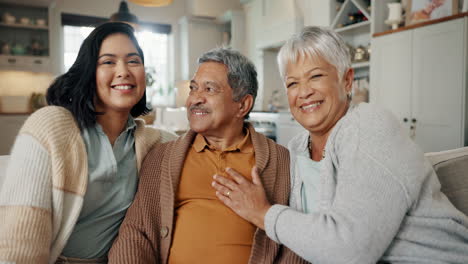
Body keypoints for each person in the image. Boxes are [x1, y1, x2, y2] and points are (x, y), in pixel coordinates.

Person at [212, 26, 468, 263]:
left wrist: (262, 213)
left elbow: (351, 252)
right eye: (292, 83)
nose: (304, 92)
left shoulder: (370, 126)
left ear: (347, 81)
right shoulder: (297, 147)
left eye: (315, 76)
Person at [108, 48, 306, 264]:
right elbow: (135, 232)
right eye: (193, 88)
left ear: (243, 105)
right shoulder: (161, 158)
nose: (195, 99)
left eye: (209, 89)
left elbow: (297, 243)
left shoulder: (282, 163)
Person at [0, 22, 176, 264]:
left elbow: (204, 148)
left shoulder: (153, 142)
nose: (124, 71)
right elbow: (21, 237)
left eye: (133, 61)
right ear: (89, 72)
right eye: (108, 62)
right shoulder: (51, 126)